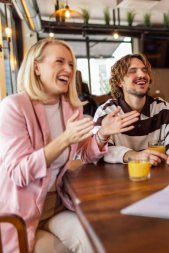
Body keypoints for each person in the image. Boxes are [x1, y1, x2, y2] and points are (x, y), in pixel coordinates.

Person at [0, 38, 140, 253]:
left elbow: (85, 153)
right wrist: (65, 139)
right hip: (20, 213)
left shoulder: (70, 108)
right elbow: (20, 173)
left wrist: (102, 133)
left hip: (56, 204)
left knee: (97, 241)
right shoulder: (14, 107)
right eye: (60, 62)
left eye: (71, 64)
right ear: (36, 67)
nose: (68, 69)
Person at [93, 53, 169, 165]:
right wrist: (134, 155)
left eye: (145, 70)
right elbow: (98, 150)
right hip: (118, 180)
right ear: (120, 81)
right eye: (133, 71)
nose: (142, 74)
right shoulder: (107, 111)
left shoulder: (162, 108)